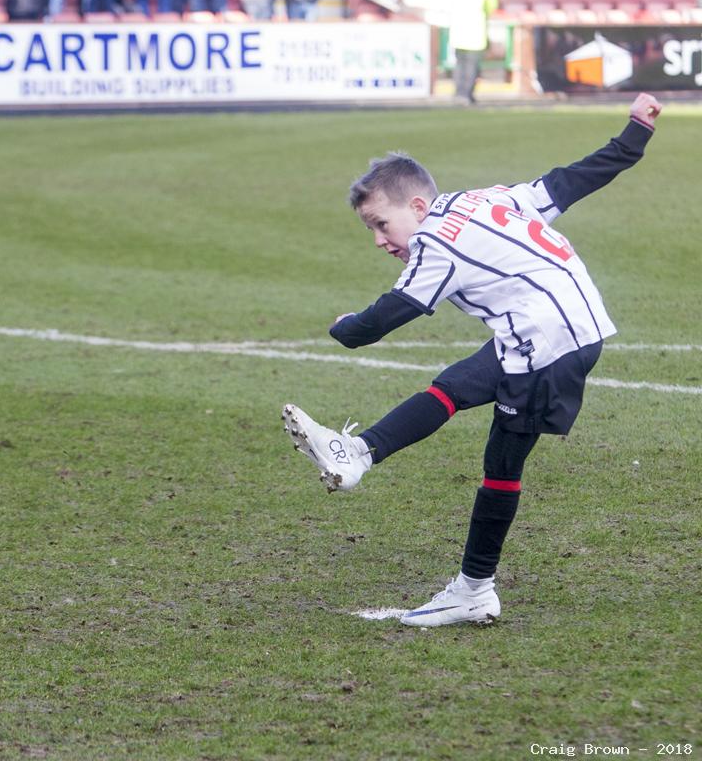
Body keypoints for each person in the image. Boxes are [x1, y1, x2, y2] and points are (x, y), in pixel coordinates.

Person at [282, 93, 663, 628]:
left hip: (547, 343)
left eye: (380, 223)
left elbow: (388, 316)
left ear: (416, 206)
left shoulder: (436, 242)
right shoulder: (488, 199)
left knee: (502, 466)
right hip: (564, 326)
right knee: (455, 385)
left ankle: (473, 590)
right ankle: (359, 452)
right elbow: (572, 180)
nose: (377, 240)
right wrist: (634, 135)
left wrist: (343, 327)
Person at [441, 0, 497, 104]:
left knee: (460, 62)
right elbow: (491, 4)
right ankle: (467, 94)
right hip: (476, 27)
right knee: (472, 64)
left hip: (458, 26)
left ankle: (459, 92)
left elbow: (445, 1)